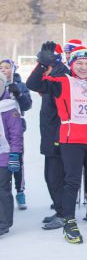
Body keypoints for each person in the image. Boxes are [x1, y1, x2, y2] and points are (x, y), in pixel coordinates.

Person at [31, 43, 87, 244]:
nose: (84, 67)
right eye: (79, 63)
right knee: (72, 182)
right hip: (71, 141)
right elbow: (33, 84)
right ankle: (68, 221)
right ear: (72, 64)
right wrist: (43, 64)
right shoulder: (62, 81)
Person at [26, 42, 69, 230]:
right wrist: (42, 65)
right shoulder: (50, 72)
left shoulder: (61, 74)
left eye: (45, 59)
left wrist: (46, 65)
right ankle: (60, 210)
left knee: (56, 176)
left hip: (59, 134)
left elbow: (32, 83)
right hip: (49, 132)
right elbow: (33, 83)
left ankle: (64, 214)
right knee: (50, 176)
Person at [0, 59, 32, 210]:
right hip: (1, 129)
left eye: (7, 67)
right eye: (1, 68)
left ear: (13, 69)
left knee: (17, 160)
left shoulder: (19, 84)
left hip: (15, 127)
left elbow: (27, 105)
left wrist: (18, 93)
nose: (4, 70)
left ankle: (20, 191)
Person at [0, 72, 24, 236]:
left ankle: (4, 222)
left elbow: (16, 134)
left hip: (4, 155)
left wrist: (15, 155)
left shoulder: (9, 107)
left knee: (2, 189)